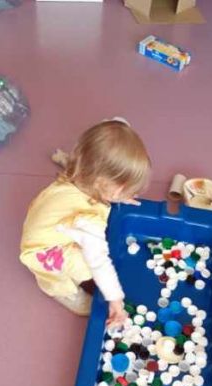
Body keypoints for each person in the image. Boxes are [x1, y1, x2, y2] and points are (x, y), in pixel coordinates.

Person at [20, 118, 151, 326]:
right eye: (126, 190)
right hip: (42, 249)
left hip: (46, 221)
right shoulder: (89, 219)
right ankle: (66, 294)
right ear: (112, 188)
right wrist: (115, 300)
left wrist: (119, 196)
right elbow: (99, 262)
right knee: (85, 267)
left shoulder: (81, 174)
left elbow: (106, 141)